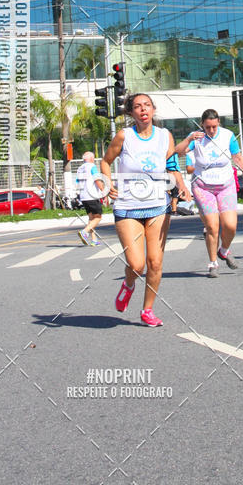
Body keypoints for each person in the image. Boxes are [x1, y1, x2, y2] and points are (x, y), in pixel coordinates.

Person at [101, 93, 190, 327]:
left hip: (158, 205)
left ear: (153, 109)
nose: (143, 110)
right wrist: (107, 184)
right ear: (131, 113)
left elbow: (172, 165)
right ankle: (129, 284)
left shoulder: (164, 136)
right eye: (138, 107)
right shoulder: (124, 136)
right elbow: (105, 162)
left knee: (155, 262)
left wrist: (181, 185)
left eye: (147, 105)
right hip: (128, 206)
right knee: (136, 264)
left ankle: (147, 310)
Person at [175, 109, 243, 277]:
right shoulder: (196, 137)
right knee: (212, 226)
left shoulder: (228, 136)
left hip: (225, 185)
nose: (211, 130)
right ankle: (213, 263)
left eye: (214, 126)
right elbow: (178, 151)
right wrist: (189, 139)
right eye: (207, 127)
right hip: (202, 186)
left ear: (219, 122)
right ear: (202, 125)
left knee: (230, 226)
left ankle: (224, 250)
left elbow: (238, 158)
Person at [75, 151, 105, 246]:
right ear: (92, 159)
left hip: (83, 196)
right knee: (98, 217)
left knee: (91, 218)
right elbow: (97, 179)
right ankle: (84, 232)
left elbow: (77, 182)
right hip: (92, 195)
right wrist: (103, 190)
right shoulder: (92, 166)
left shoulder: (80, 169)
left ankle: (94, 240)